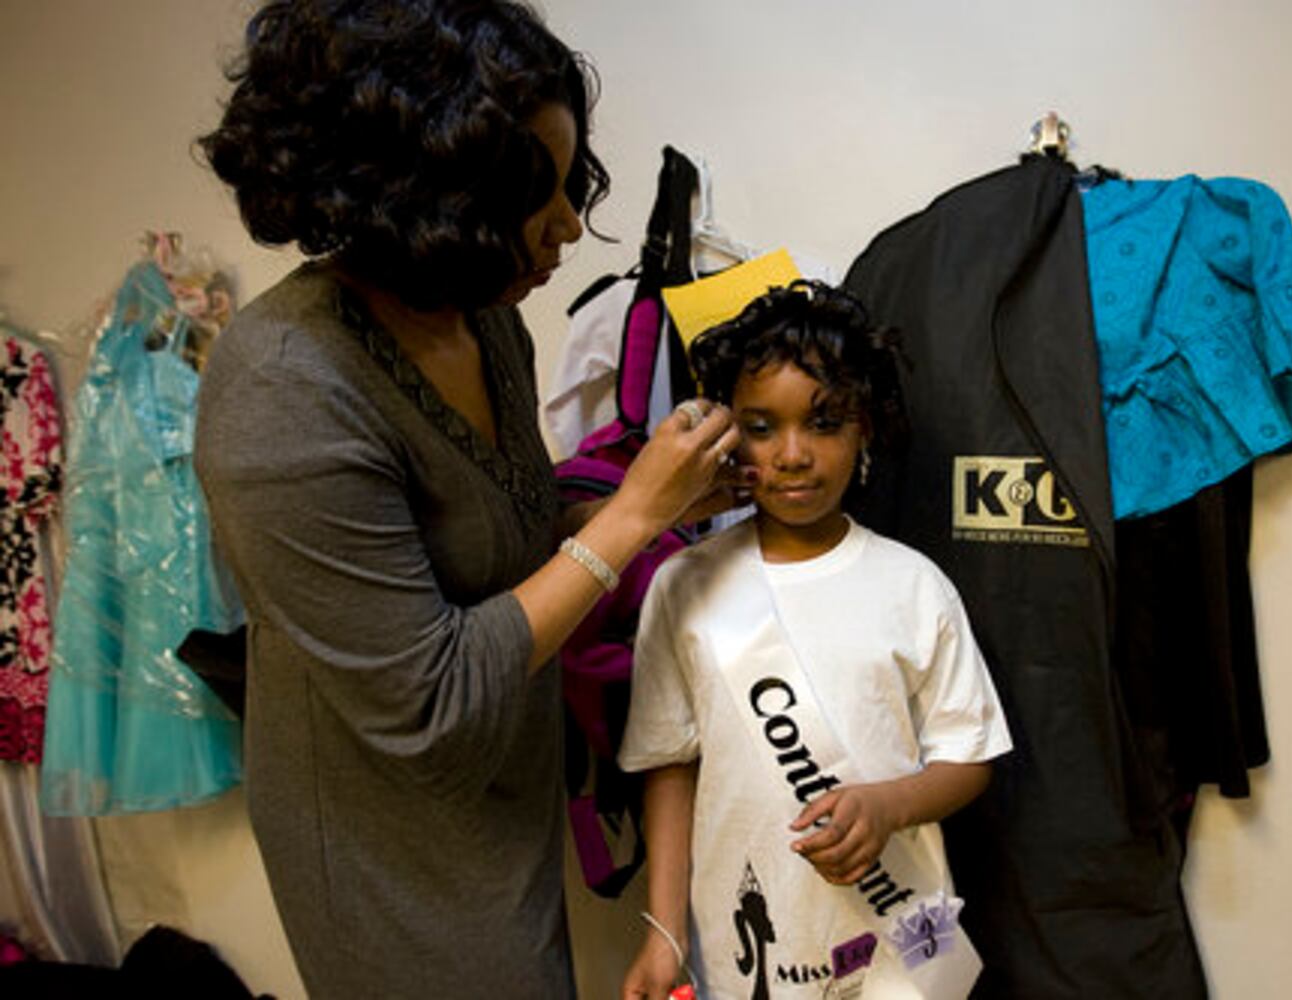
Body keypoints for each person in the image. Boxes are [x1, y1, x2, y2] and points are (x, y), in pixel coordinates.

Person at [193, 2, 742, 997]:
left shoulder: (484, 327)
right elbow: (431, 703)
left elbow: (504, 548)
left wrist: (662, 504)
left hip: (502, 795)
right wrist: (625, 520)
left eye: (568, 182)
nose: (570, 223)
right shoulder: (281, 387)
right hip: (386, 837)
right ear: (414, 194)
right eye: (531, 193)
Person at [617, 282, 1013, 999]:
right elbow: (668, 765)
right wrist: (663, 932)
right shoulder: (683, 585)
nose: (793, 454)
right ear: (729, 431)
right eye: (762, 427)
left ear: (865, 428)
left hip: (904, 938)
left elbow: (971, 757)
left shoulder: (914, 585)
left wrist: (890, 805)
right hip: (749, 944)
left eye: (824, 422)